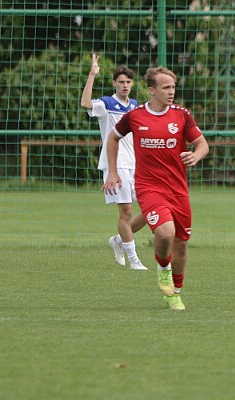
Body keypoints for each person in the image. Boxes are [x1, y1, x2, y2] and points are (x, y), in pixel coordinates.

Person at [103, 67, 210, 311]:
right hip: (149, 187)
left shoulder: (182, 116)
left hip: (178, 189)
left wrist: (197, 155)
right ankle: (163, 269)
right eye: (166, 87)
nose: (171, 92)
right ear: (152, 90)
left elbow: (202, 144)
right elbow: (113, 138)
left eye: (173, 87)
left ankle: (175, 294)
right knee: (165, 233)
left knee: (181, 244)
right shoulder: (136, 116)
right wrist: (112, 171)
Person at [79, 53, 147, 271]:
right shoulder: (106, 104)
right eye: (121, 82)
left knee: (150, 209)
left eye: (128, 82)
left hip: (136, 165)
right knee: (126, 212)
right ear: (114, 83)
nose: (125, 85)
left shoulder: (134, 106)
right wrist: (92, 74)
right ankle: (134, 259)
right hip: (116, 166)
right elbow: (85, 103)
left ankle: (118, 240)